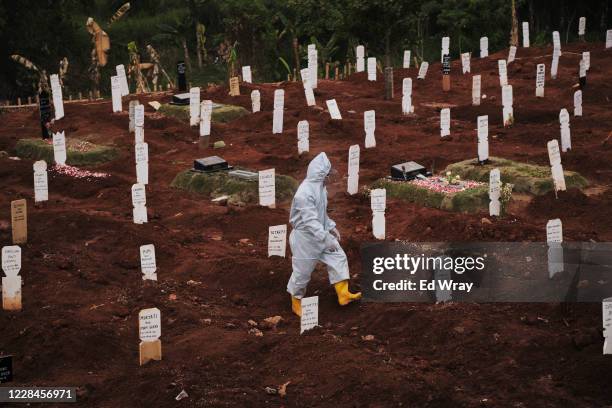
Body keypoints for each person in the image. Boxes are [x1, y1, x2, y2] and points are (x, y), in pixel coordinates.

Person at [287, 152, 361, 316]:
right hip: (305, 239)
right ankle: (296, 301)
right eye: (328, 174)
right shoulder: (304, 194)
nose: (329, 177)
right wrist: (326, 237)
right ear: (321, 174)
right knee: (302, 272)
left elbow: (321, 213)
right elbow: (310, 221)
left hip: (320, 232)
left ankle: (343, 294)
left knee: (338, 257)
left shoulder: (320, 187)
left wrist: (330, 226)